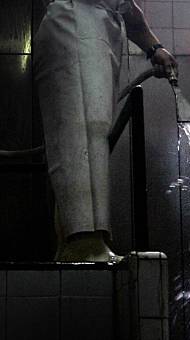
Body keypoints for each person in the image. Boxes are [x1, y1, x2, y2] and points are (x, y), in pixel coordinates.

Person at [34, 0, 177, 262]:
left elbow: (127, 9)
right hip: (75, 24)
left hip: (94, 30)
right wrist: (152, 46)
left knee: (91, 133)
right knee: (82, 131)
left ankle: (75, 243)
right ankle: (84, 243)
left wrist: (154, 47)